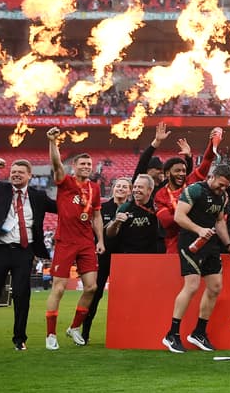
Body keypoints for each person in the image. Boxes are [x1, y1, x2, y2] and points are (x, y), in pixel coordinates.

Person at [0, 157, 55, 351]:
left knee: (22, 297)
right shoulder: (0, 190)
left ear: (30, 175)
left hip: (24, 252)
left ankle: (19, 340)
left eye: (20, 172)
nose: (15, 174)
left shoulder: (38, 196)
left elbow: (60, 208)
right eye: (13, 171)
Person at [163, 163, 230, 353]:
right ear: (212, 176)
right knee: (192, 286)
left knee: (215, 287)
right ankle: (172, 334)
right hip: (190, 242)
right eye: (220, 184)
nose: (222, 189)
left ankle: (199, 333)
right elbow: (179, 217)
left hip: (210, 244)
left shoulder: (222, 196)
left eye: (225, 186)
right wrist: (198, 230)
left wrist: (229, 245)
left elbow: (219, 220)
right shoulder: (194, 190)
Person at [44, 127, 105, 350]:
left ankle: (74, 327)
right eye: (83, 164)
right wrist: (53, 142)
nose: (87, 167)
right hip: (65, 242)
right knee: (59, 288)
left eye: (89, 165)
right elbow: (56, 164)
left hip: (87, 242)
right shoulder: (66, 181)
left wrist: (100, 240)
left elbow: (97, 215)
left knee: (91, 288)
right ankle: (51, 334)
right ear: (74, 166)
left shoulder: (95, 188)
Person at [79, 176, 131, 344]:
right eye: (118, 186)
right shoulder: (102, 208)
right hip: (103, 257)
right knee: (95, 293)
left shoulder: (133, 209)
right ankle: (84, 333)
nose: (121, 189)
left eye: (125, 186)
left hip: (124, 259)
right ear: (113, 189)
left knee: (124, 296)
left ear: (130, 191)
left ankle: (126, 333)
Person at [155, 133, 215, 253]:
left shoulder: (191, 181)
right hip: (174, 244)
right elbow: (167, 223)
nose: (182, 174)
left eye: (183, 170)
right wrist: (194, 215)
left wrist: (212, 142)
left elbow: (207, 160)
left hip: (199, 238)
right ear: (167, 173)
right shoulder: (160, 195)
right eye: (177, 171)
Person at [104, 174, 162, 254]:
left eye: (140, 187)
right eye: (135, 187)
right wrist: (116, 222)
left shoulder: (157, 207)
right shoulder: (125, 207)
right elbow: (109, 234)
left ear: (150, 190)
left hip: (151, 256)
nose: (136, 190)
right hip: (129, 256)